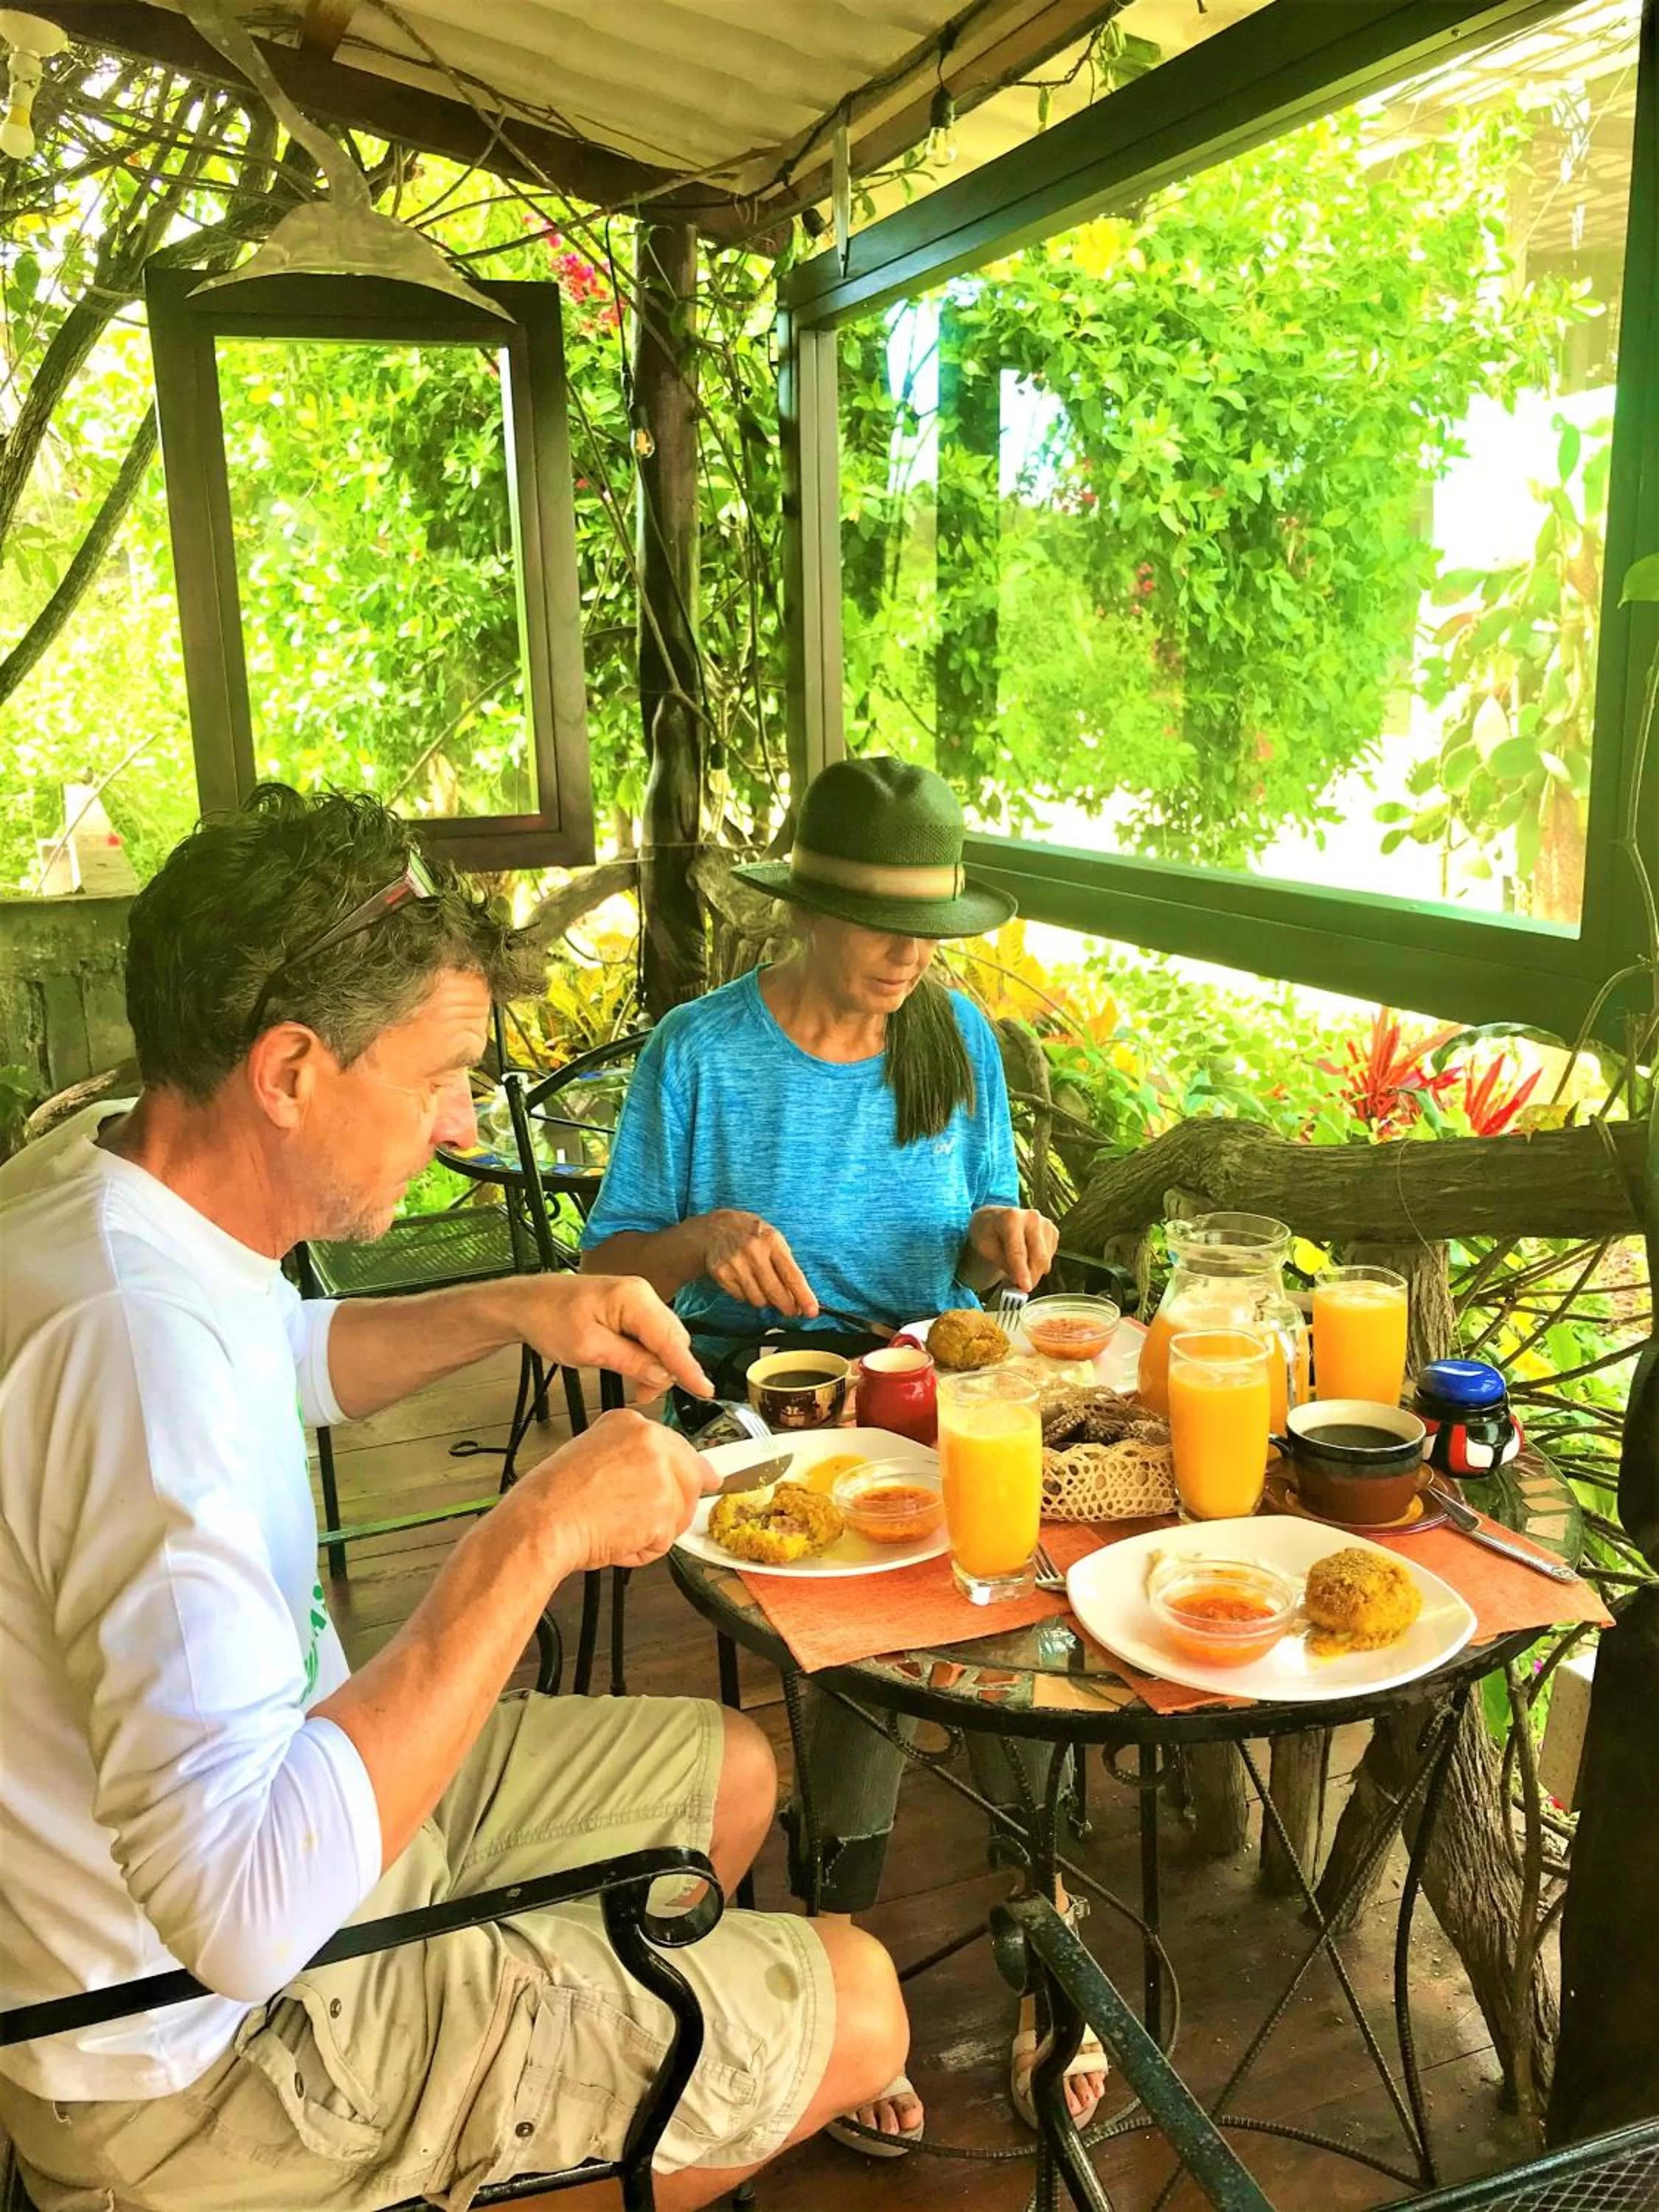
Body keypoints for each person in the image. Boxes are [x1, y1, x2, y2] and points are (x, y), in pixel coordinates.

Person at [0, 785, 909, 2212]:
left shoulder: (113, 1169)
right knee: (860, 2006)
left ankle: (555, 2078)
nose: (459, 1122)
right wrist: (539, 1529)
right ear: (291, 1070)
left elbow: (279, 1353)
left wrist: (522, 1304)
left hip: (298, 1808)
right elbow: (242, 1918)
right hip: (206, 2062)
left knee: (731, 1775)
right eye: (436, 1079)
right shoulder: (133, 1364)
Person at [581, 756, 1106, 2148]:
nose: (905, 958)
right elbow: (605, 1270)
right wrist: (701, 1241)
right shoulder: (700, 1053)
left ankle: (1041, 1906)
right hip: (767, 1384)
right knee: (858, 1593)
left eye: (927, 931)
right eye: (880, 927)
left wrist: (1007, 1235)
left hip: (940, 1371)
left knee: (1022, 1573)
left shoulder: (952, 1037)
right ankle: (835, 1927)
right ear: (801, 911)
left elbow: (989, 1205)